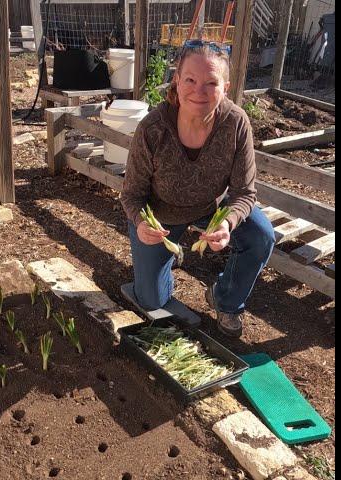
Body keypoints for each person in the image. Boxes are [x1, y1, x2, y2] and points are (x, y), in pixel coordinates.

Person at [120, 40, 275, 337]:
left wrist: (227, 223)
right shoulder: (153, 128)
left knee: (261, 235)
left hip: (211, 208)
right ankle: (154, 280)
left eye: (211, 82)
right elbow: (132, 194)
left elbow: (244, 192)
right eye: (190, 80)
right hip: (161, 216)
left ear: (225, 88)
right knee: (151, 300)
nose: (199, 91)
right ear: (177, 81)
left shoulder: (236, 123)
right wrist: (140, 223)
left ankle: (225, 297)